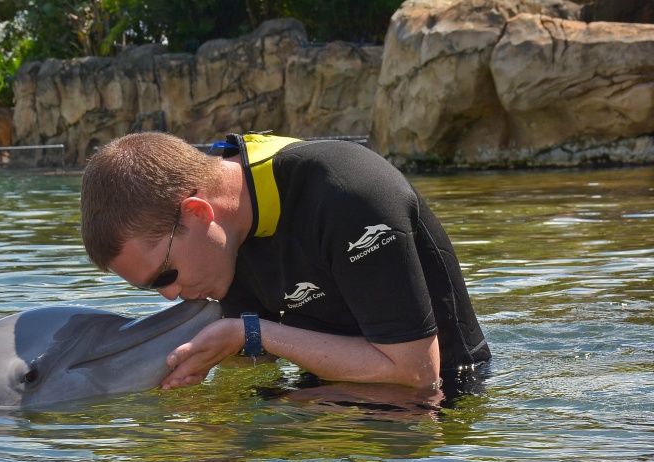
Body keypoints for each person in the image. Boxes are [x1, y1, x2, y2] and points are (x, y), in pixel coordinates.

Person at [79, 131, 491, 393]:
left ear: (198, 212)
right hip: (329, 402)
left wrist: (250, 334)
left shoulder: (347, 193)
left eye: (165, 275)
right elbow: (255, 367)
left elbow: (416, 373)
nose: (170, 295)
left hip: (436, 420)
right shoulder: (221, 246)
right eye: (150, 287)